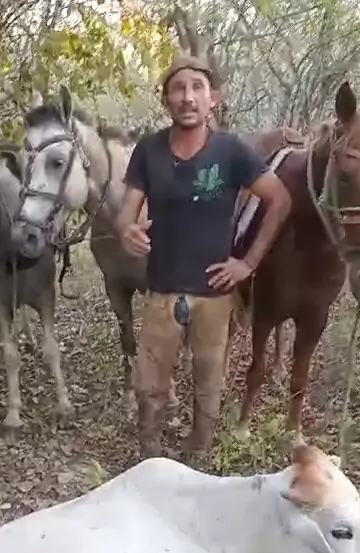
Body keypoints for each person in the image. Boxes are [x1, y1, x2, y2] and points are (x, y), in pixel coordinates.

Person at [115, 55, 291, 463]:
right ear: (166, 99)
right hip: (161, 290)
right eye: (178, 88)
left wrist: (247, 263)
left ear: (214, 98)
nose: (188, 97)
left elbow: (279, 199)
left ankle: (198, 455)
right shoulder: (149, 150)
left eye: (197, 87)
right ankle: (150, 457)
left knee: (209, 383)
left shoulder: (231, 151)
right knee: (149, 385)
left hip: (214, 293)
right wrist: (126, 229)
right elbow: (127, 212)